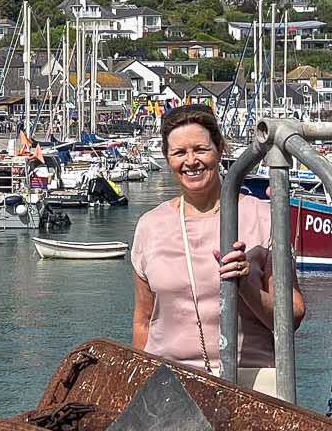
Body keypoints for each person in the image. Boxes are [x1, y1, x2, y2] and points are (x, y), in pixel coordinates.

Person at [130, 104, 304, 393]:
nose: (191, 161)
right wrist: (138, 384)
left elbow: (293, 317)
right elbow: (143, 322)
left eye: (200, 149)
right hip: (168, 382)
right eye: (179, 153)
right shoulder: (150, 226)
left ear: (220, 149)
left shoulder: (263, 217)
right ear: (167, 158)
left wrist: (247, 286)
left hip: (251, 380)